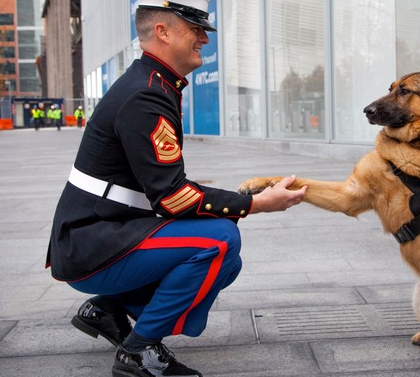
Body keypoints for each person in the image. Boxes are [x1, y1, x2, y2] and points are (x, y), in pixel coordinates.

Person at [46, 1, 306, 376]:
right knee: (218, 240)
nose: (203, 38)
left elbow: (164, 189)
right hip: (90, 244)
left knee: (227, 263)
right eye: (194, 30)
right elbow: (173, 197)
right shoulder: (146, 94)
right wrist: (257, 203)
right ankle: (140, 350)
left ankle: (107, 309)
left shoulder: (152, 84)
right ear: (162, 33)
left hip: (98, 233)